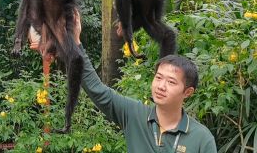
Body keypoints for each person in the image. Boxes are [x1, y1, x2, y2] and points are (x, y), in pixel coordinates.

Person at [28, 10, 217, 152]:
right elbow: (97, 90)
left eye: (171, 82)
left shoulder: (201, 139)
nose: (161, 86)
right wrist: (76, 43)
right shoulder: (133, 114)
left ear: (188, 92)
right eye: (158, 78)